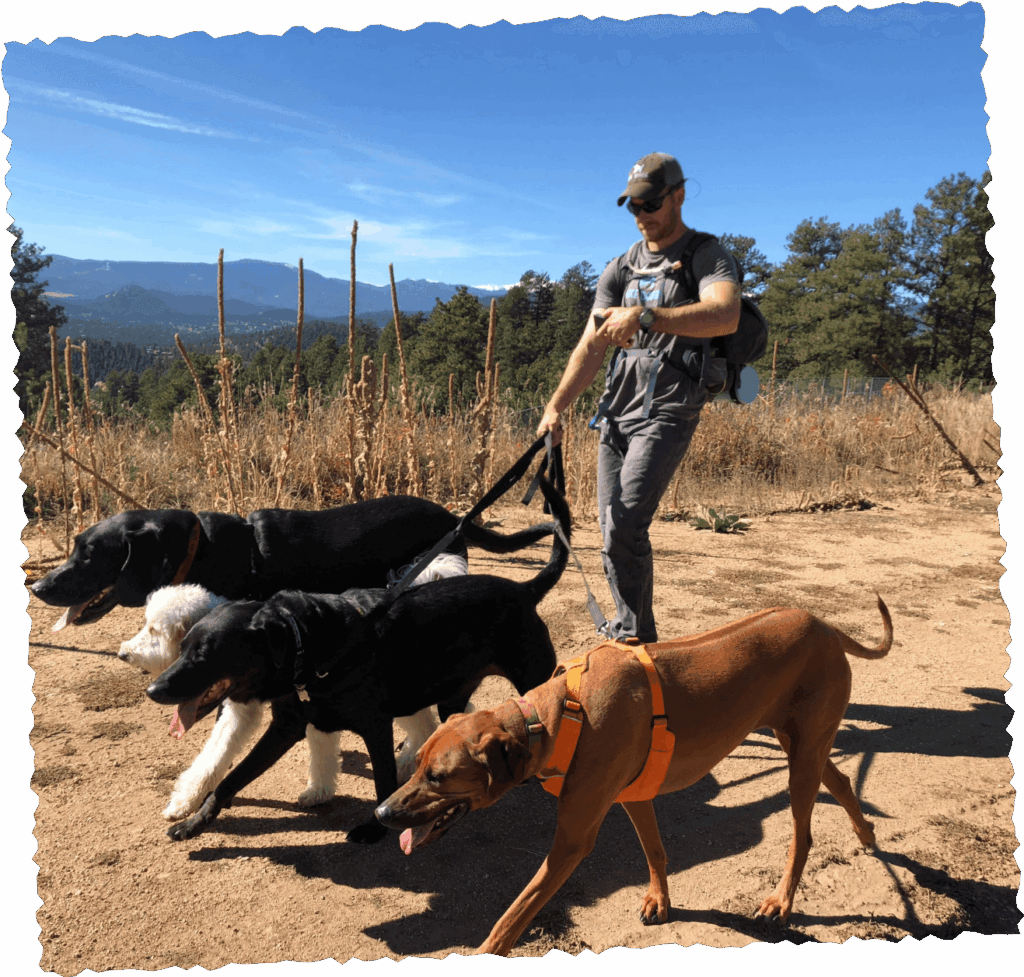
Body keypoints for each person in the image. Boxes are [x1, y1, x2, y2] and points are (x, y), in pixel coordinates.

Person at [536, 152, 741, 642]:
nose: (642, 215)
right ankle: (635, 633)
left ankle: (635, 641)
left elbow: (726, 314)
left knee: (626, 522)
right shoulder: (621, 267)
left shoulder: (706, 255)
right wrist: (555, 406)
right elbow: (590, 347)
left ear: (678, 195)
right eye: (633, 207)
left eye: (650, 203)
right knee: (611, 529)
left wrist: (648, 316)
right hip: (616, 411)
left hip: (670, 407)